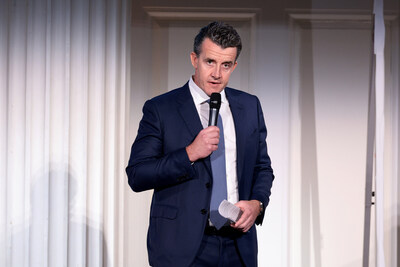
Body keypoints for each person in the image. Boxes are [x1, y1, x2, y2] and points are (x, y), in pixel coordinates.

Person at [126, 21, 274, 267]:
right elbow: (137, 175)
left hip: (237, 245)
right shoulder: (161, 108)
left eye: (226, 65)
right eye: (210, 62)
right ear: (194, 59)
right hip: (181, 248)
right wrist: (189, 154)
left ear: (234, 65)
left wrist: (257, 204)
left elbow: (262, 168)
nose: (217, 73)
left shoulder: (249, 106)